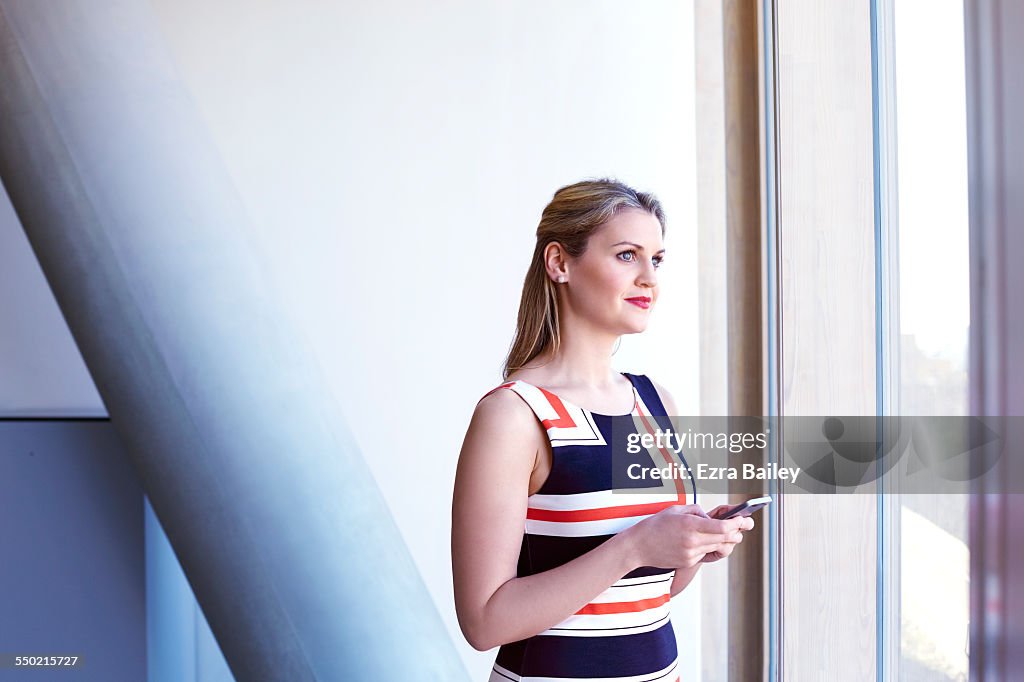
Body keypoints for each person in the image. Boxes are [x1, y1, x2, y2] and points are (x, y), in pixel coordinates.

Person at [451, 178, 753, 681]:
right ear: (560, 263)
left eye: (656, 260)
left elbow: (654, 589)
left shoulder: (656, 405)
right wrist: (634, 544)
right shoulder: (514, 416)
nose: (649, 279)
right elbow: (484, 622)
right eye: (627, 255)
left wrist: (694, 544)